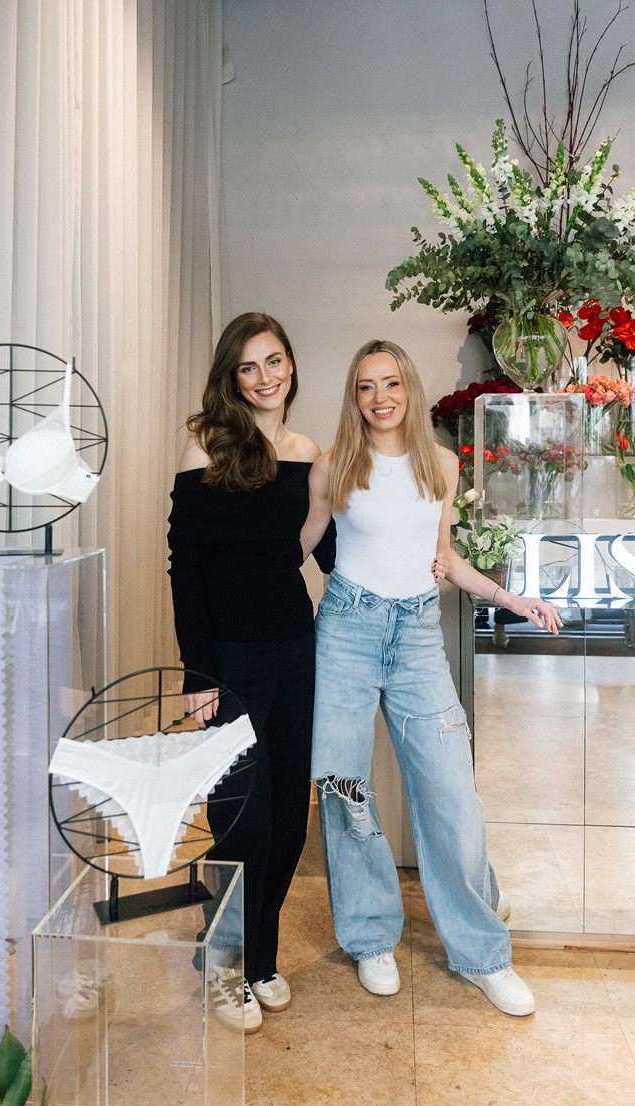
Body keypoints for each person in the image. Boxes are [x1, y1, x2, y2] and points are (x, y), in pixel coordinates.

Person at [300, 339, 561, 1016]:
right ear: (354, 397)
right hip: (347, 633)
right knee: (346, 790)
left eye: (390, 383)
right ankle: (370, 937)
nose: (379, 397)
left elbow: (443, 556)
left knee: (451, 794)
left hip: (417, 637)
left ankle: (482, 954)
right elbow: (299, 545)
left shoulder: (440, 464)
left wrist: (510, 598)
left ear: (408, 389)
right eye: (366, 387)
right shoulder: (334, 464)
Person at [168, 312, 335, 1033]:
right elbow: (186, 569)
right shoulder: (206, 446)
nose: (265, 377)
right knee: (242, 821)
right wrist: (199, 674)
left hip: (295, 651)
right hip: (229, 664)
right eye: (249, 366)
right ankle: (223, 965)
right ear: (231, 378)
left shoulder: (310, 454)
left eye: (274, 361)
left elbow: (316, 550)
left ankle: (259, 960)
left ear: (291, 365)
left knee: (290, 822)